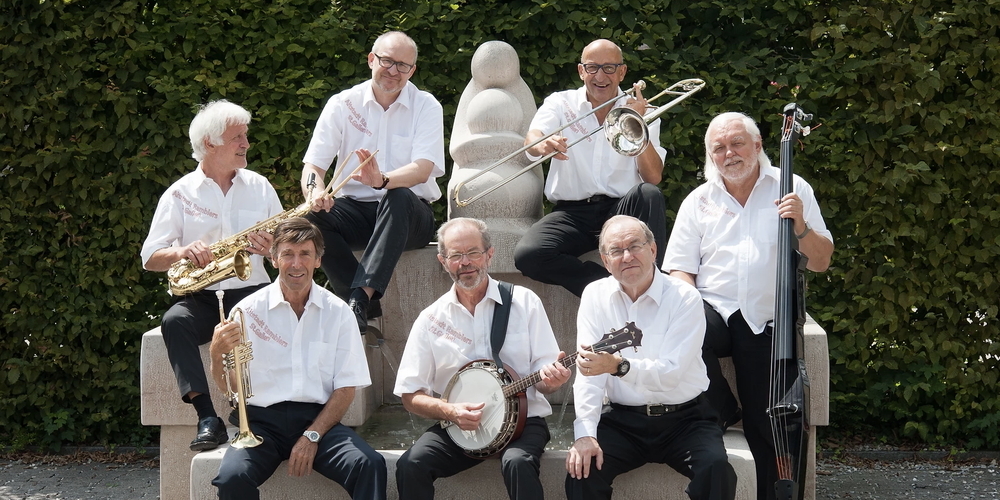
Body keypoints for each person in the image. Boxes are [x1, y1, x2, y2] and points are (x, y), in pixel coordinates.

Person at [663, 112, 834, 500]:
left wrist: (801, 226)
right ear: (710, 156)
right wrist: (686, 305)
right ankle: (722, 407)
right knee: (683, 321)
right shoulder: (699, 200)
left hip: (766, 317)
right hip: (713, 311)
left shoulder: (792, 188)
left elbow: (822, 261)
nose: (729, 153)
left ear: (757, 146)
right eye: (719, 148)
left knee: (767, 423)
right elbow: (679, 269)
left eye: (737, 143)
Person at [393, 217, 572, 500]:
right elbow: (410, 395)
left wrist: (553, 380)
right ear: (443, 261)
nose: (465, 262)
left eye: (473, 252)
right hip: (460, 426)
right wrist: (450, 412)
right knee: (411, 464)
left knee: (517, 462)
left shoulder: (524, 302)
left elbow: (545, 379)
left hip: (523, 423)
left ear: (489, 254)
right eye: (456, 255)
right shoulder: (431, 319)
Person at [140, 100, 283, 452]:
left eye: (245, 135)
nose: (246, 143)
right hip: (202, 296)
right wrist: (182, 252)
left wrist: (272, 249)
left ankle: (258, 410)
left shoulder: (260, 186)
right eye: (237, 137)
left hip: (253, 290)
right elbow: (150, 257)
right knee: (174, 322)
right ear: (210, 143)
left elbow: (288, 246)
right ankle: (207, 417)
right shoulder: (179, 193)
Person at [209, 217, 386, 499]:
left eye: (305, 254)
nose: (296, 264)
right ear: (273, 259)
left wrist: (312, 435)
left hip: (318, 420)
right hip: (260, 425)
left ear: (318, 260)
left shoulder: (339, 312)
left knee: (369, 464)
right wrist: (216, 354)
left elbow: (346, 389)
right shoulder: (247, 311)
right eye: (287, 254)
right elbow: (231, 390)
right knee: (232, 478)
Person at [566, 215, 736, 500]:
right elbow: (589, 374)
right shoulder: (595, 295)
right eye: (616, 251)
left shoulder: (684, 296)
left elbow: (672, 372)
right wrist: (585, 433)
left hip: (686, 419)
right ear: (605, 261)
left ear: (653, 250)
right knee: (582, 471)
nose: (627, 257)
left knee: (716, 469)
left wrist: (619, 367)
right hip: (622, 419)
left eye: (635, 246)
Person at [300, 30, 444, 334]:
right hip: (357, 211)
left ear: (412, 71)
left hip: (409, 215)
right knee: (311, 216)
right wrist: (315, 193)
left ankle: (358, 298)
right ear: (371, 60)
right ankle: (361, 302)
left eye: (402, 65)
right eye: (387, 61)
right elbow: (313, 165)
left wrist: (382, 180)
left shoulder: (426, 105)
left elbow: (423, 169)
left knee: (398, 195)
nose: (393, 71)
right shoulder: (342, 103)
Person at [513, 39, 668, 297]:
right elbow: (533, 138)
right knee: (530, 255)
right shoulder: (561, 103)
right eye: (592, 67)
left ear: (622, 72)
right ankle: (609, 289)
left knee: (649, 194)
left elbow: (653, 176)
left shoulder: (642, 109)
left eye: (609, 68)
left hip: (621, 209)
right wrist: (543, 144)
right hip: (573, 213)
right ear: (581, 71)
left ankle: (658, 289)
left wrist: (637, 122)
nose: (600, 76)